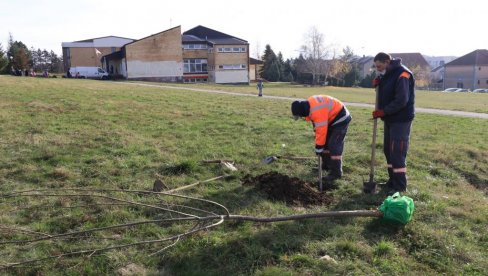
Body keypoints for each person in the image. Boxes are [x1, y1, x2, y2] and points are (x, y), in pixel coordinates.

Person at [372, 52, 415, 193]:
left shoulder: (403, 74)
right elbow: (388, 90)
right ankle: (392, 181)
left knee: (397, 152)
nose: (377, 68)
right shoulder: (388, 73)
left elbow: (401, 100)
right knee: (388, 150)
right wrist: (380, 81)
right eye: (376, 66)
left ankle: (400, 186)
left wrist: (384, 111)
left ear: (387, 61)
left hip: (401, 119)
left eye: (379, 66)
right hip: (390, 118)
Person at [291, 95, 352, 182]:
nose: (301, 118)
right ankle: (326, 165)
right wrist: (319, 146)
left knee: (333, 145)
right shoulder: (308, 105)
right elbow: (317, 128)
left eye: (300, 116)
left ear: (302, 112)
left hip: (341, 118)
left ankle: (336, 173)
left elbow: (321, 131)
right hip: (331, 118)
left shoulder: (316, 111)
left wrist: (319, 147)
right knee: (325, 143)